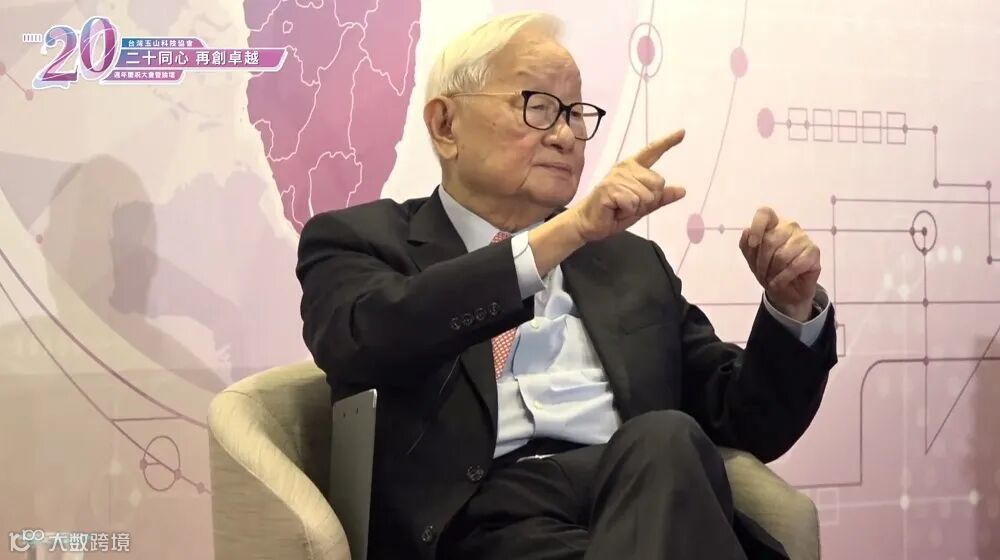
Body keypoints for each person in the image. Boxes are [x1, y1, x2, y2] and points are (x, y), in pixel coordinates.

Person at [296, 11, 836, 560]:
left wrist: (790, 309)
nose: (564, 136)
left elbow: (746, 420)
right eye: (538, 106)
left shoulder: (630, 263)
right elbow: (364, 340)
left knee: (665, 441)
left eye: (576, 114)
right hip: (488, 523)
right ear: (446, 125)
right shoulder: (360, 240)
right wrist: (561, 236)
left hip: (640, 493)